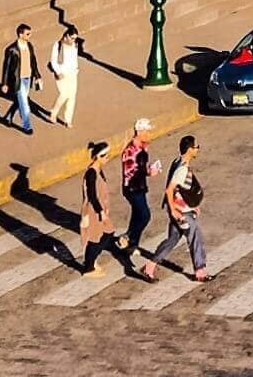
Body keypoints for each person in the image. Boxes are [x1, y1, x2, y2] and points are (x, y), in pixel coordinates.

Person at [139, 135, 207, 281]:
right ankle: (200, 271)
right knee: (195, 235)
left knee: (173, 239)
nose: (198, 150)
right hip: (180, 212)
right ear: (189, 150)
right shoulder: (182, 169)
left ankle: (150, 266)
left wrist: (191, 206)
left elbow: (180, 190)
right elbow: (170, 190)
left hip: (181, 209)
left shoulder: (177, 161)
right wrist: (175, 210)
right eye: (196, 147)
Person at [120, 118, 157, 258]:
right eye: (147, 131)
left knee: (137, 215)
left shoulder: (142, 147)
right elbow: (130, 172)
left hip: (139, 186)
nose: (149, 134)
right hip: (132, 188)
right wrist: (148, 172)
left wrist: (149, 169)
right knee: (144, 215)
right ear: (140, 132)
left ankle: (132, 245)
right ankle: (128, 237)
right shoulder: (131, 150)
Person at [78, 141, 115, 275]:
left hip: (99, 209)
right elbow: (92, 195)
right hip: (93, 210)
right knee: (96, 238)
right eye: (105, 156)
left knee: (106, 234)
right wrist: (101, 212)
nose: (107, 158)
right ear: (98, 157)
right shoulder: (91, 173)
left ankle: (91, 262)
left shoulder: (98, 170)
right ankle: (88, 268)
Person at [0, 23, 38, 134]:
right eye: (27, 34)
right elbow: (6, 67)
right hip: (18, 79)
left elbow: (33, 62)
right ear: (20, 34)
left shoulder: (29, 46)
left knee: (19, 101)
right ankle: (27, 126)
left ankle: (7, 117)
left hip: (28, 78)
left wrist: (37, 76)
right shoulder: (11, 49)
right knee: (24, 103)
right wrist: (4, 83)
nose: (29, 36)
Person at [48, 26, 82, 128]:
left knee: (72, 97)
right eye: (72, 38)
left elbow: (74, 58)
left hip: (72, 73)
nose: (73, 40)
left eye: (75, 38)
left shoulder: (74, 45)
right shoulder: (58, 45)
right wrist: (58, 72)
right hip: (62, 74)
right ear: (67, 36)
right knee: (64, 94)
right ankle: (53, 112)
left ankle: (68, 120)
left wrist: (76, 69)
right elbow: (53, 60)